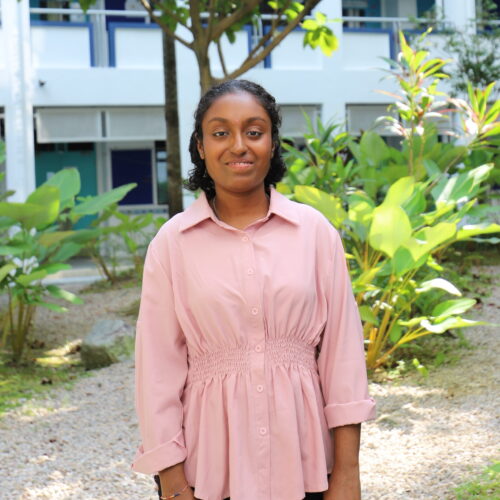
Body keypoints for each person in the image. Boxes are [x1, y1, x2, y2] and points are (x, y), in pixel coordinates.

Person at [131, 79, 376, 500]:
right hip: (210, 473)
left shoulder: (314, 233)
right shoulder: (172, 244)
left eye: (254, 131)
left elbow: (343, 359)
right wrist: (172, 482)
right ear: (200, 146)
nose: (239, 145)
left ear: (273, 143)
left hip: (308, 468)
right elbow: (157, 373)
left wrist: (348, 473)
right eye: (220, 133)